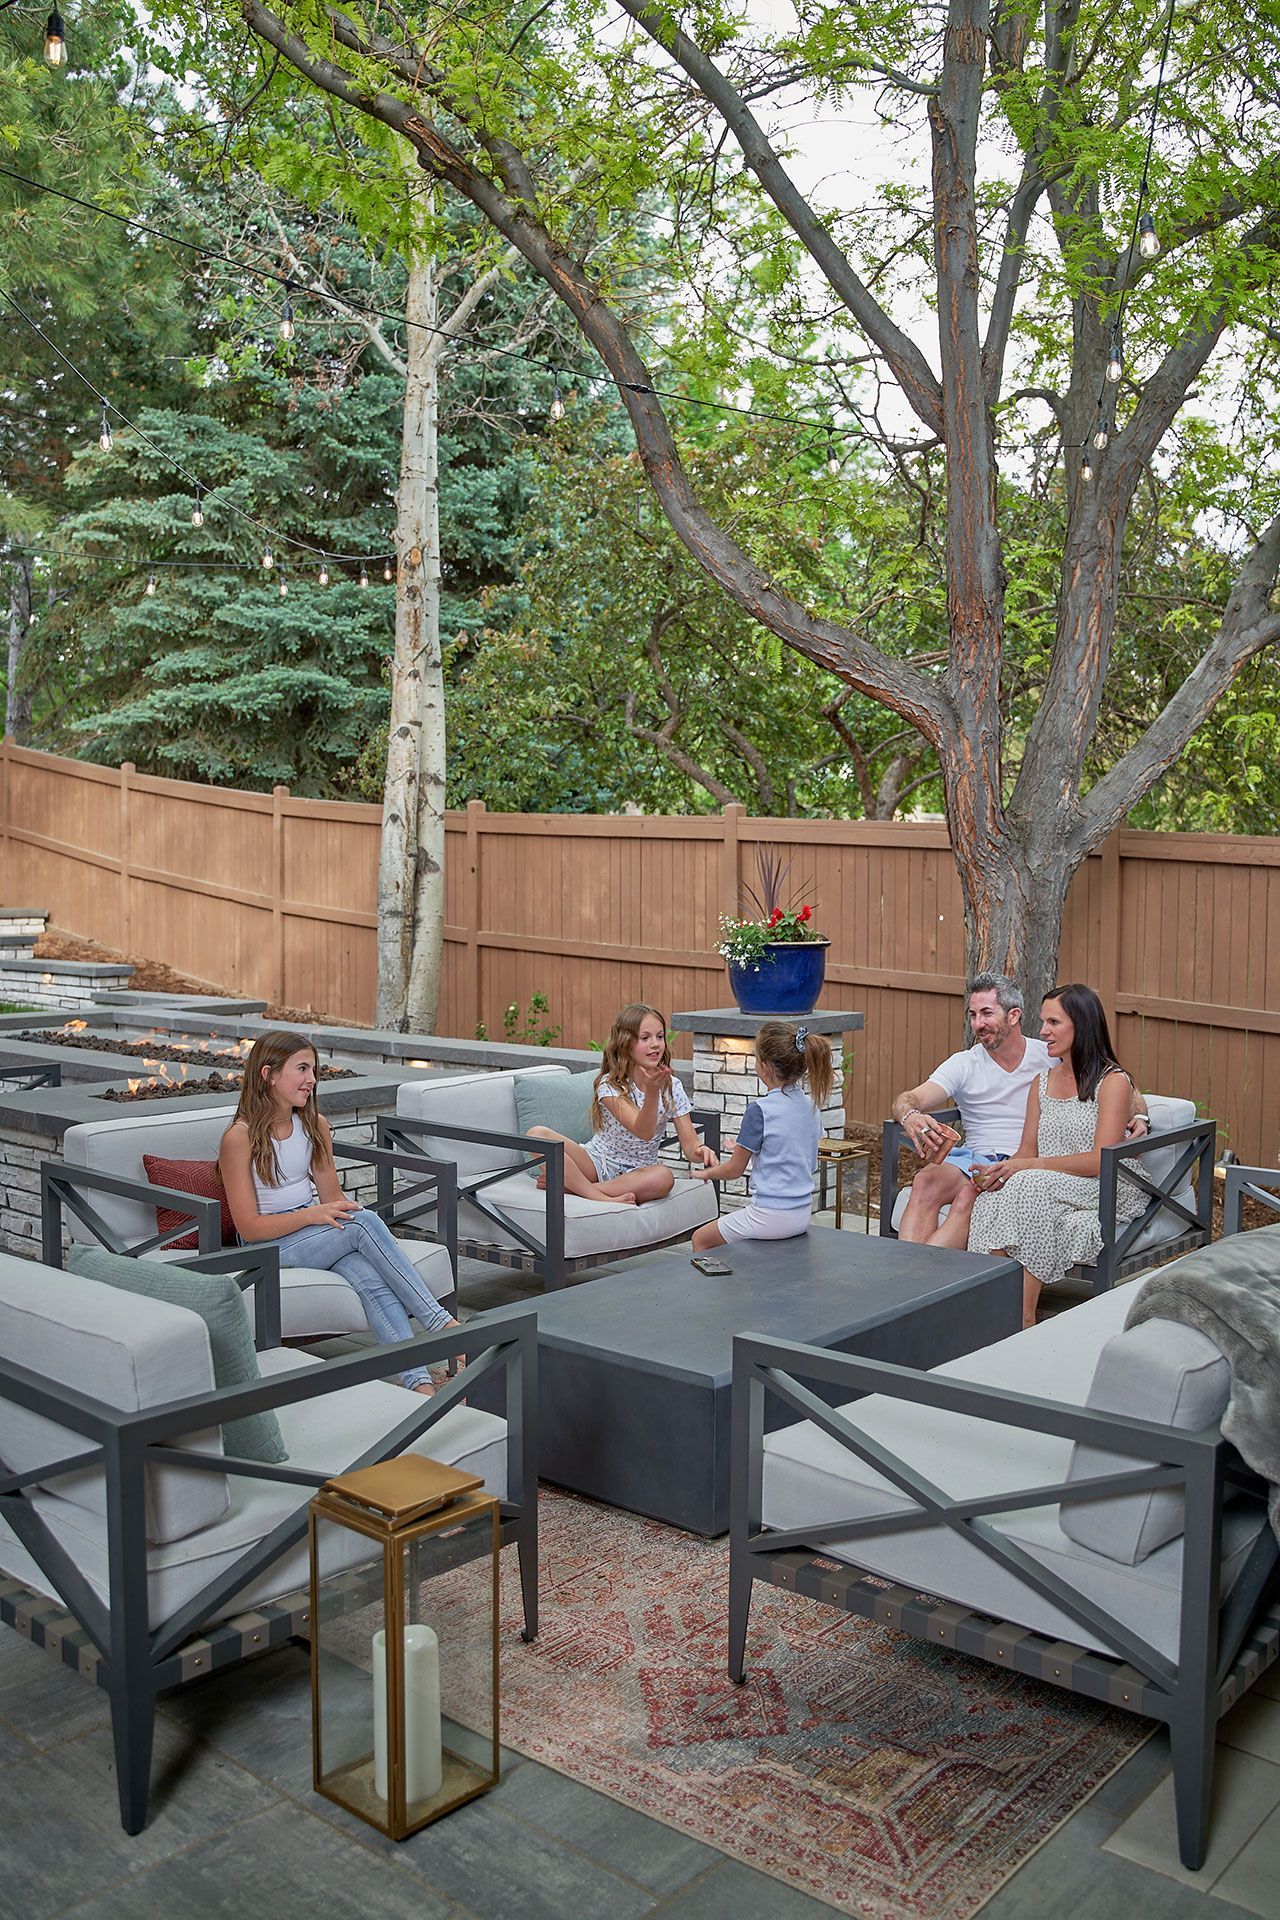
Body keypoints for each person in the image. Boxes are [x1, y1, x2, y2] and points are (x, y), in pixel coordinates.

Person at [219, 1029, 456, 1396]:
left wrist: (324, 1217)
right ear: (268, 1074)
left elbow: (332, 1198)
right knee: (362, 1223)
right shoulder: (240, 1137)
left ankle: (419, 1385)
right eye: (301, 1069)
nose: (312, 1080)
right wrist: (315, 1216)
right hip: (266, 1249)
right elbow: (248, 1228)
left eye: (313, 1070)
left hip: (309, 1236)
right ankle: (442, 1324)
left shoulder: (315, 1126)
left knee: (369, 1277)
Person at [890, 972, 1146, 1249]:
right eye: (973, 1014)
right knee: (925, 1181)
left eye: (987, 1013)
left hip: (1027, 1158)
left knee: (970, 1195)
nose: (978, 1023)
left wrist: (1141, 1115)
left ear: (1013, 1016)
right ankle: (909, 1276)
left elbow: (1122, 1084)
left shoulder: (1049, 1054)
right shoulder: (963, 1064)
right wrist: (910, 1115)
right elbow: (910, 1098)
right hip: (977, 1156)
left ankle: (931, 1278)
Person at [966, 983, 1148, 1327]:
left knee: (1030, 1185)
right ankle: (987, 1307)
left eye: (1053, 1022)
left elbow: (1099, 1160)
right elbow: (1026, 1151)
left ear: (1082, 1025)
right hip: (1051, 1182)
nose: (1044, 1032)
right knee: (991, 1199)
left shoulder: (1112, 1082)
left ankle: (1022, 1317)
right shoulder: (1041, 1082)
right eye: (1043, 1022)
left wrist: (1028, 1167)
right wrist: (1000, 1171)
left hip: (1103, 1184)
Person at [526, 1002, 716, 1204]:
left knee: (664, 1177)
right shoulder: (610, 1084)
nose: (655, 1044)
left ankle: (575, 1188)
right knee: (536, 1134)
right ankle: (596, 1195)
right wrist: (652, 1095)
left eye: (660, 1036)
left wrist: (700, 1151)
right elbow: (641, 1130)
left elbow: (689, 1144)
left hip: (637, 1173)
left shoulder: (672, 1086)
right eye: (645, 1038)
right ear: (626, 1044)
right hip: (597, 1163)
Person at [690, 1021, 834, 1250]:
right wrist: (738, 1145)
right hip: (802, 1215)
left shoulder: (759, 1110)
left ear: (764, 1067)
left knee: (701, 1238)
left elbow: (734, 1170)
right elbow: (790, 1146)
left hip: (769, 1218)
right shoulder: (811, 1105)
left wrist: (704, 1173)